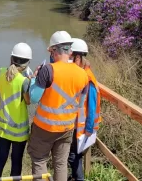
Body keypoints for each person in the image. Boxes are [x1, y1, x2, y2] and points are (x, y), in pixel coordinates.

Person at [27, 31, 89, 181]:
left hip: (44, 127)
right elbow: (80, 104)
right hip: (67, 127)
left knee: (40, 160)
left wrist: (34, 79)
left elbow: (34, 98)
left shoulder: (48, 69)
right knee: (61, 164)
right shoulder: (83, 74)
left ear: (54, 51)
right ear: (70, 51)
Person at [0, 43, 32, 178]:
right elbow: (28, 101)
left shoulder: (2, 73)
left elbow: (9, 74)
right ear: (27, 63)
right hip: (18, 131)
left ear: (11, 58)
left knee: (0, 159)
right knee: (16, 163)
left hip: (2, 127)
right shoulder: (24, 81)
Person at [68, 38, 101, 181]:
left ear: (77, 57)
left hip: (84, 127)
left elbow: (92, 106)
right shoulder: (82, 73)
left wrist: (88, 128)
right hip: (79, 126)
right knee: (75, 157)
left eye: (69, 56)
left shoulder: (88, 78)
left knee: (74, 157)